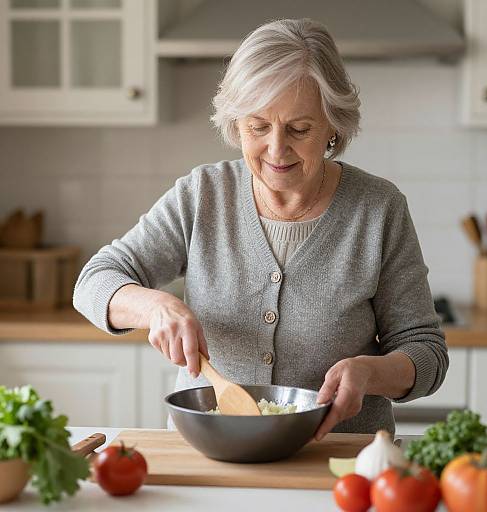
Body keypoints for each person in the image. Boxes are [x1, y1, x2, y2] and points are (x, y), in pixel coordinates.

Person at [73, 18, 448, 439]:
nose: (276, 148)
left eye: (299, 129)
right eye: (258, 126)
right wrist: (156, 307)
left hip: (339, 462)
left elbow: (426, 352)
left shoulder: (378, 209)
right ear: (236, 124)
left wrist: (370, 373)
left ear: (333, 125)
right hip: (212, 452)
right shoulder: (203, 194)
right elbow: (94, 282)